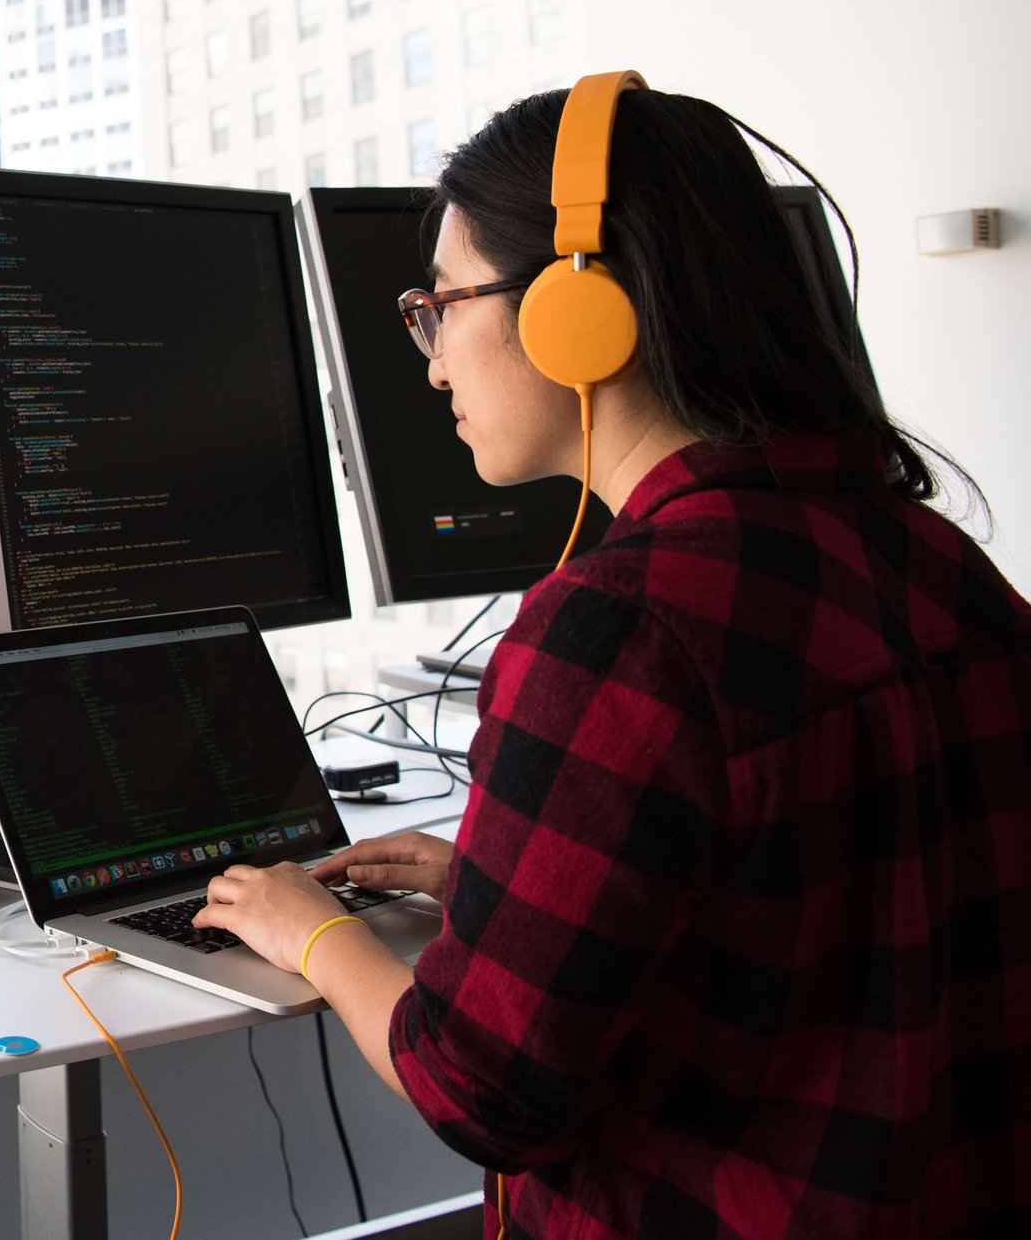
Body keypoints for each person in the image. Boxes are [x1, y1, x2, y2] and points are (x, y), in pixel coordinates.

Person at [193, 77, 1031, 1238]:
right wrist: (499, 883)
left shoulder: (620, 630)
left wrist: (311, 932)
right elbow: (833, 897)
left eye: (441, 307)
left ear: (577, 313)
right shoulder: (941, 559)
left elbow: (482, 1088)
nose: (431, 363)